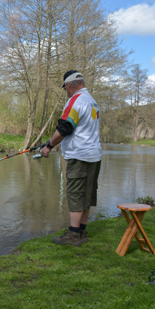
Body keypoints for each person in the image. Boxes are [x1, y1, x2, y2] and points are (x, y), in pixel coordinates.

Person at [41, 70, 102, 247]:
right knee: (87, 194)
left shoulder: (75, 101)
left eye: (65, 88)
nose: (66, 91)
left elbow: (65, 127)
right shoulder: (92, 101)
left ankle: (74, 234)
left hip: (79, 156)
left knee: (75, 195)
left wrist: (49, 146)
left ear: (68, 85)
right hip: (94, 155)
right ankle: (82, 231)